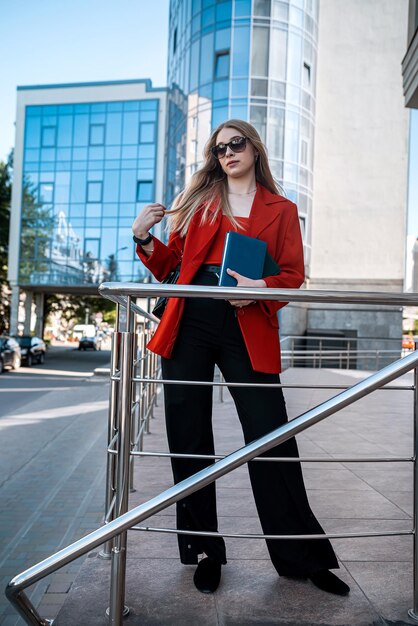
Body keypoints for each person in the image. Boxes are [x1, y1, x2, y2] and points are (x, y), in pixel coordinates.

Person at [132, 119, 350, 597]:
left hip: (248, 321)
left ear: (254, 148)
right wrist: (146, 240)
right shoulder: (199, 203)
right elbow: (174, 269)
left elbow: (292, 275)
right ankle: (206, 551)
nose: (228, 152)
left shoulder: (282, 209)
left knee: (272, 435)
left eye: (236, 144)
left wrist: (261, 289)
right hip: (190, 319)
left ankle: (302, 556)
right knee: (188, 435)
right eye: (219, 148)